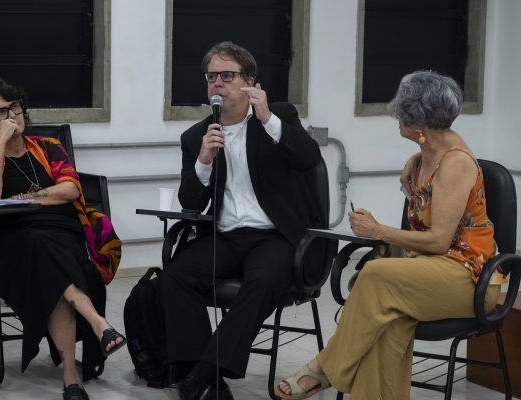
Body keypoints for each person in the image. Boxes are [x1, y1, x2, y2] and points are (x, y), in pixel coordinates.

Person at [275, 70, 508, 399]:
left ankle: (324, 368)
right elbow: (432, 165)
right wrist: (418, 156)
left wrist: (377, 230)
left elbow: (440, 241)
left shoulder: (455, 164)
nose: (395, 115)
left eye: (402, 110)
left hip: (469, 277)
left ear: (419, 120)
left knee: (374, 273)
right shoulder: (427, 153)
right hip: (430, 271)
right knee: (389, 322)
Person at [161, 42, 326, 400]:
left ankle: (200, 376)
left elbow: (309, 158)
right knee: (174, 278)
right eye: (212, 76)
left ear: (250, 83)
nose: (218, 83)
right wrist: (203, 161)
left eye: (228, 76)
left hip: (277, 237)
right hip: (227, 237)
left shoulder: (278, 116)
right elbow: (190, 202)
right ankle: (212, 384)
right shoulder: (196, 136)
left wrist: (268, 118)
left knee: (263, 281)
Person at [0, 78, 124, 400]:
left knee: (48, 259)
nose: (11, 116)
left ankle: (72, 376)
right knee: (40, 249)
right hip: (11, 241)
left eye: (14, 107)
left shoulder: (49, 147)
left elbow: (71, 188)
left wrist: (23, 199)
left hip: (60, 230)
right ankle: (95, 329)